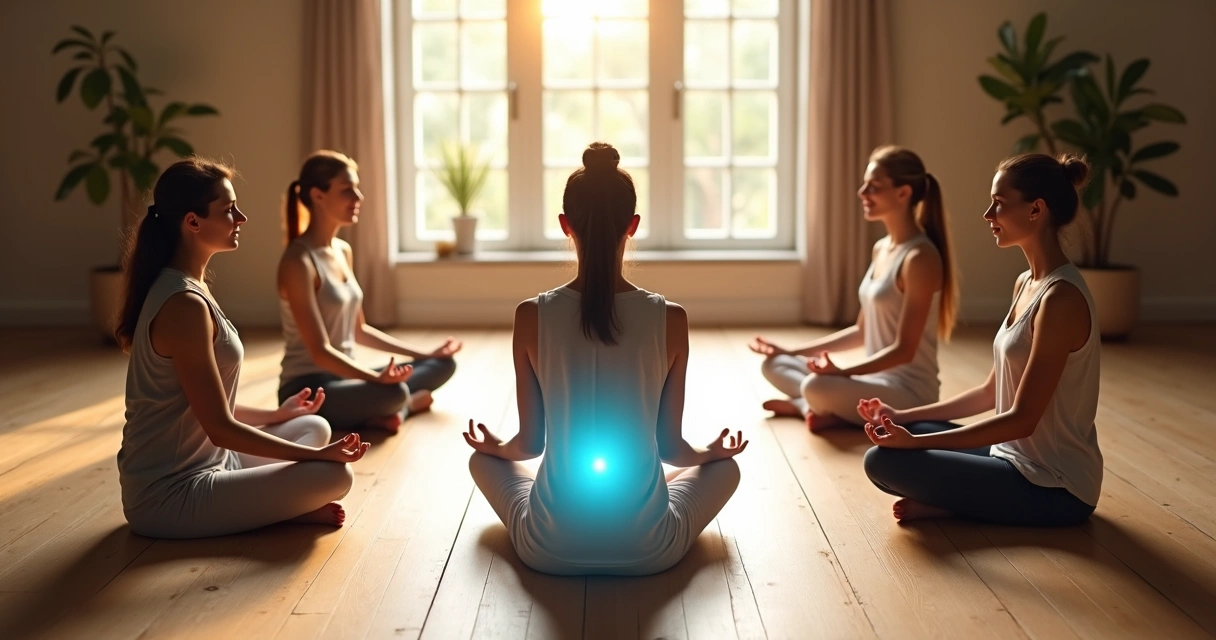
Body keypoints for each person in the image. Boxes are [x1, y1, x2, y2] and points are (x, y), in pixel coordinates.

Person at [463, 142, 747, 575]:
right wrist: (710, 453)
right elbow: (672, 448)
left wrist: (495, 447)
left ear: (565, 225)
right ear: (632, 225)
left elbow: (530, 444)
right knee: (727, 471)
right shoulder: (670, 319)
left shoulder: (530, 316)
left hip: (546, 547)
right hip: (650, 550)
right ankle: (650, 492)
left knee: (481, 461)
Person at [115, 157, 369, 539]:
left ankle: (268, 504)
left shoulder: (188, 286)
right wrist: (317, 457)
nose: (242, 218)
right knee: (334, 473)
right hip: (170, 495)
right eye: (229, 209)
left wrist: (275, 414)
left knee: (313, 425)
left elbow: (203, 404)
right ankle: (278, 510)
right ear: (193, 222)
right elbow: (219, 427)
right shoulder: (183, 304)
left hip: (217, 463)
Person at [860, 153, 1101, 527]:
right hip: (1009, 458)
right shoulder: (1026, 283)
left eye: (999, 204)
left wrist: (913, 444)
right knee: (914, 432)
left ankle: (961, 504)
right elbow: (991, 392)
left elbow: (1021, 421)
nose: (989, 215)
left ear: (1036, 210)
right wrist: (902, 417)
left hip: (1054, 486)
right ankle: (964, 501)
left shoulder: (1060, 299)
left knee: (882, 461)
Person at [751, 146, 958, 431]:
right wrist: (790, 351)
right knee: (773, 364)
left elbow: (904, 351)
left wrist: (843, 373)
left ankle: (812, 405)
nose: (862, 193)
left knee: (816, 385)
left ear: (903, 193)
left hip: (907, 393)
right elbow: (862, 332)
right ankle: (818, 408)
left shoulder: (920, 258)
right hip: (873, 382)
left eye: (874, 186)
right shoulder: (881, 249)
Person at [277, 150, 460, 433]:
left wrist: (425, 354)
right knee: (395, 392)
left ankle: (386, 411)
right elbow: (320, 353)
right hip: (310, 389)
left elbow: (360, 331)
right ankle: (404, 406)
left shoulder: (342, 251)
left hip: (346, 378)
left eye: (357, 189)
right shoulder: (298, 261)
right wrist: (377, 381)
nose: (358, 197)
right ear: (318, 195)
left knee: (443, 365)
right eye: (347, 190)